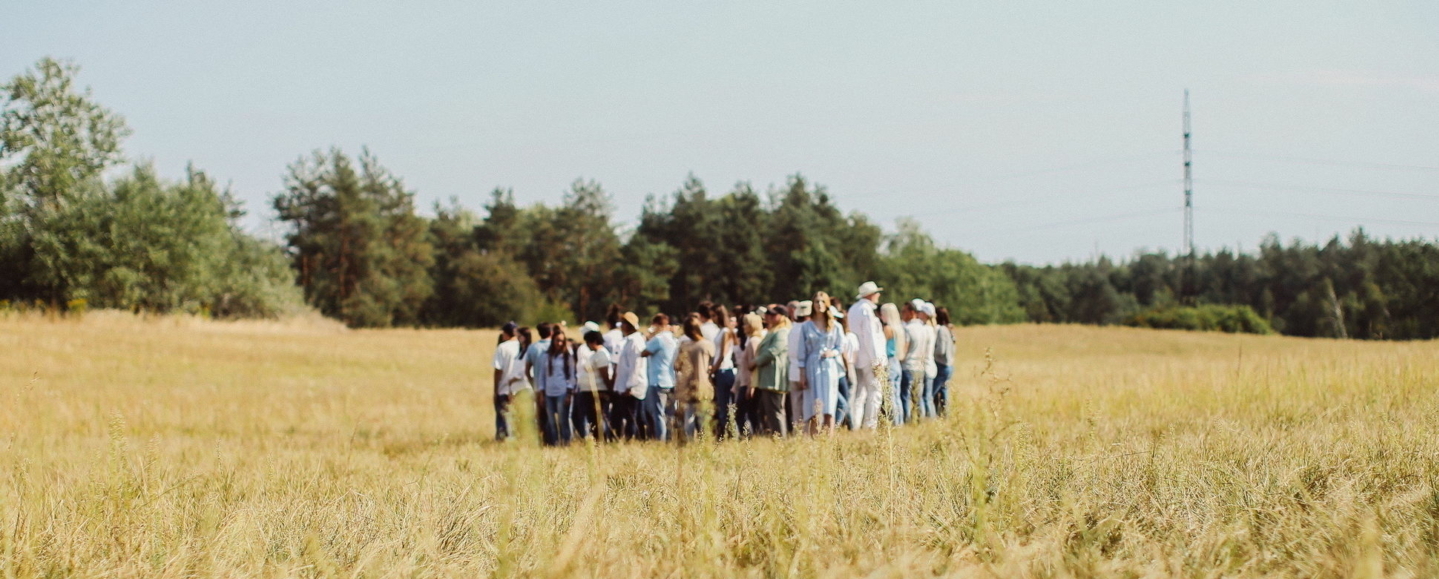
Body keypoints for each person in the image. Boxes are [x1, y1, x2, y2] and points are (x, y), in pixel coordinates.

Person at [795, 293, 846, 435]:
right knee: (813, 405)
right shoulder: (806, 327)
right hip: (812, 366)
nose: (819, 304)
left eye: (823, 301)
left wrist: (833, 353)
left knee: (829, 403)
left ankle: (828, 437)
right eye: (817, 301)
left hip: (829, 366)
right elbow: (801, 352)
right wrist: (802, 374)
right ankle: (814, 438)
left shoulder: (835, 326)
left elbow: (841, 346)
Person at [847, 282, 886, 430]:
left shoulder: (853, 309)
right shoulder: (866, 310)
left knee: (859, 394)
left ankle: (856, 424)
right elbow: (870, 337)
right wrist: (877, 361)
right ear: (871, 295)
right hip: (869, 357)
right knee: (875, 392)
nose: (878, 296)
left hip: (858, 357)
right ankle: (870, 426)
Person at [749, 305, 791, 436]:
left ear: (783, 316)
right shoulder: (774, 331)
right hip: (768, 376)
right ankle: (777, 436)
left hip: (775, 377)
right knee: (771, 410)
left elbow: (773, 351)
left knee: (776, 410)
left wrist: (756, 361)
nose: (770, 317)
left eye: (774, 315)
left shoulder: (783, 331)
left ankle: (781, 439)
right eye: (769, 315)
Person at [673, 314, 716, 442]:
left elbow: (677, 366)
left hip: (687, 384)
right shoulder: (707, 345)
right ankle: (705, 441)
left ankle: (690, 441)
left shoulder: (684, 345)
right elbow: (712, 361)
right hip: (703, 384)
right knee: (703, 416)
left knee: (689, 416)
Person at [639, 313, 678, 441]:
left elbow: (643, 352)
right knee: (670, 414)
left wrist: (649, 336)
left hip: (658, 380)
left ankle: (660, 440)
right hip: (671, 380)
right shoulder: (673, 339)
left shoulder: (658, 339)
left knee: (658, 414)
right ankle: (671, 438)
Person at [610, 312, 648, 441]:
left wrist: (630, 386)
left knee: (633, 416)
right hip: (627, 385)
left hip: (633, 386)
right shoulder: (629, 341)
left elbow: (636, 366)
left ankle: (633, 440)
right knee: (631, 415)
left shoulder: (635, 342)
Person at [574, 330, 614, 440]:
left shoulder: (601, 354)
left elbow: (604, 374)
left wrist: (609, 390)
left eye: (588, 342)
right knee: (593, 419)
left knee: (599, 418)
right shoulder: (595, 354)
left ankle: (603, 439)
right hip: (589, 391)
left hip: (598, 391)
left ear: (594, 341)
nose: (587, 345)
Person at [540, 331, 577, 445]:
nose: (559, 343)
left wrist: (569, 392)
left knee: (563, 419)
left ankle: (566, 442)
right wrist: (541, 392)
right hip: (549, 391)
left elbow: (572, 375)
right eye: (557, 340)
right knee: (551, 421)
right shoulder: (546, 356)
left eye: (562, 341)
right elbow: (542, 375)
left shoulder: (567, 356)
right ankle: (555, 442)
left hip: (562, 391)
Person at [734, 312, 766, 436]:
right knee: (751, 412)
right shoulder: (752, 340)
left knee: (742, 412)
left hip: (749, 383)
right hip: (747, 382)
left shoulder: (753, 341)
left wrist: (751, 386)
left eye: (746, 324)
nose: (743, 326)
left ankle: (749, 437)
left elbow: (754, 365)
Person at [902, 300, 936, 420]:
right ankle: (921, 419)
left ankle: (906, 420)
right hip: (920, 367)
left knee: (905, 396)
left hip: (908, 366)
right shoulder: (925, 329)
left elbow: (904, 350)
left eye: (904, 311)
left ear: (911, 312)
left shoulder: (908, 329)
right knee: (919, 397)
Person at [710, 304, 738, 438]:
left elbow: (722, 354)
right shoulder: (721, 331)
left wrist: (712, 369)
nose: (713, 318)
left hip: (724, 369)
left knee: (725, 405)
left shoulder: (726, 331)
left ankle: (731, 434)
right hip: (721, 369)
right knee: (723, 405)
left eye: (714, 315)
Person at [491, 322, 523, 441]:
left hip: (504, 388)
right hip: (520, 388)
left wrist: (495, 390)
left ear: (505, 334)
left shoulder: (502, 347)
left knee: (503, 417)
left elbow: (498, 370)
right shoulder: (522, 345)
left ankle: (503, 439)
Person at [526, 322, 555, 441]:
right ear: (551, 332)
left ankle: (543, 439)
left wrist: (533, 382)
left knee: (541, 415)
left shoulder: (533, 347)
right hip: (555, 386)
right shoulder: (555, 345)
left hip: (538, 386)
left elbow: (527, 370)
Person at [879, 304, 906, 426]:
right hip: (897, 362)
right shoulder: (899, 329)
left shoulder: (887, 329)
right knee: (896, 395)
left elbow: (881, 346)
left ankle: (894, 422)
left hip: (889, 362)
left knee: (890, 396)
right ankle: (899, 421)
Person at [787, 300, 811, 430]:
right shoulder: (808, 328)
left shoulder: (792, 329)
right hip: (805, 371)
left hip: (793, 371)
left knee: (797, 409)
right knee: (808, 408)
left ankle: (799, 435)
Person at [932, 306, 956, 417]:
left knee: (931, 393)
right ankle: (944, 415)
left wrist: (930, 351)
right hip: (950, 365)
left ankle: (932, 416)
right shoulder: (949, 329)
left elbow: (941, 350)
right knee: (944, 391)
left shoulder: (941, 330)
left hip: (942, 365)